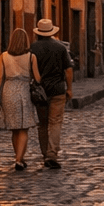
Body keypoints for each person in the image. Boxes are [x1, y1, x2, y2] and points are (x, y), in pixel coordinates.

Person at [0, 27, 41, 170]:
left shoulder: (3, 56)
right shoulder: (31, 57)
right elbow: (38, 78)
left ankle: (19, 157)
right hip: (24, 91)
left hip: (9, 91)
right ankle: (19, 159)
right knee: (24, 128)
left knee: (14, 128)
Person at [28, 19, 72, 168]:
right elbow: (68, 70)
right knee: (55, 122)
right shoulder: (60, 47)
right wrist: (69, 88)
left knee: (43, 124)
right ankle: (52, 154)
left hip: (40, 91)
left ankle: (44, 153)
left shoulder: (33, 48)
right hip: (57, 89)